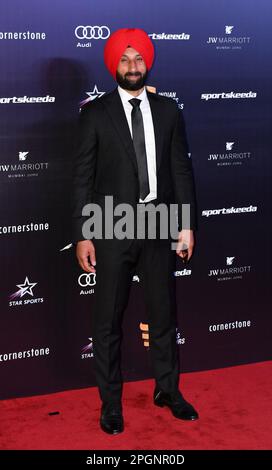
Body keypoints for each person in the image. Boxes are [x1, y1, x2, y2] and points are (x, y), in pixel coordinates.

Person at [72, 28, 198, 435]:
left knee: (163, 313)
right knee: (108, 319)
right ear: (114, 66)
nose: (132, 67)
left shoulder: (167, 110)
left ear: (148, 62)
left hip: (159, 222)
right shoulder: (94, 113)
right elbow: (82, 178)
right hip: (110, 223)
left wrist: (185, 225)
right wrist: (84, 233)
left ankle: (167, 391)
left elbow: (181, 170)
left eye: (138, 59)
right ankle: (111, 403)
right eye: (124, 60)